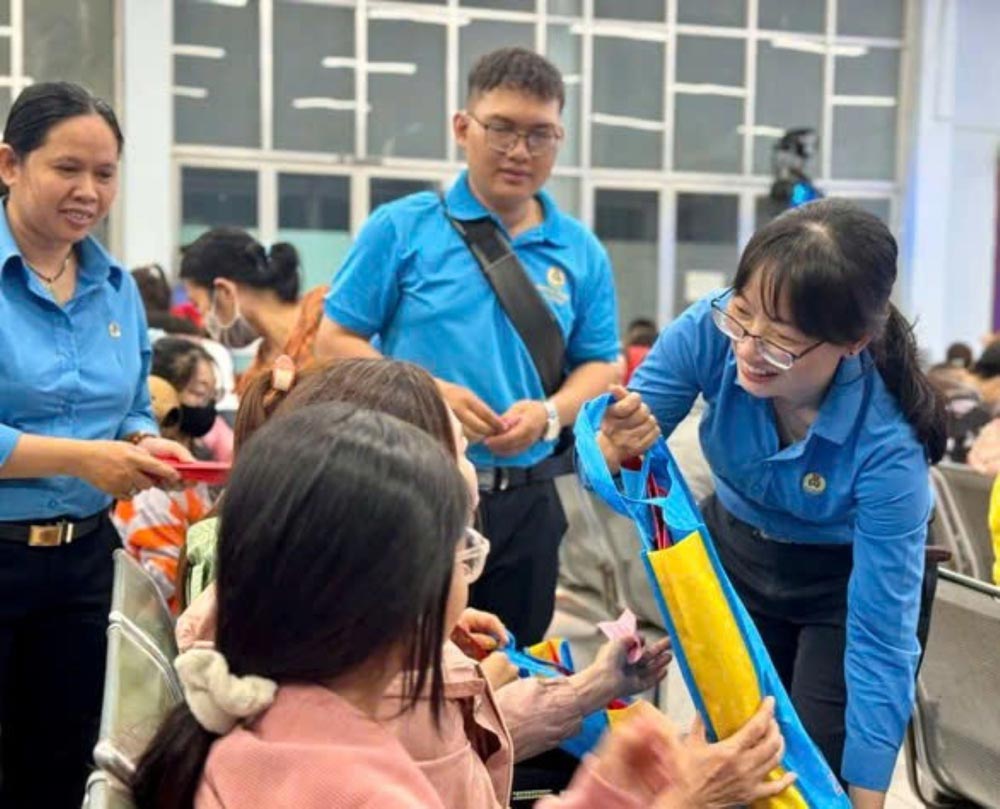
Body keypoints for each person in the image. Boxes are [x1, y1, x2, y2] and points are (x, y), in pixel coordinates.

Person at [174, 358, 793, 809]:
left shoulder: (281, 690)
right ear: (392, 573)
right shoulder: (353, 780)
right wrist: (681, 803)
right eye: (460, 551)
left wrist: (609, 780)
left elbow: (461, 764)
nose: (473, 478)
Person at [595, 200, 946, 808]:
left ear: (853, 342)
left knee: (812, 776)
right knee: (735, 751)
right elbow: (611, 450)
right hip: (735, 557)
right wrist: (611, 449)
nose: (750, 349)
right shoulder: (711, 331)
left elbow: (881, 638)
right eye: (743, 316)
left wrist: (861, 797)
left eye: (782, 342)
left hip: (839, 588)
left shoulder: (890, 449)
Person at [316, 47, 621, 644]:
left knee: (513, 665)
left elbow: (601, 364)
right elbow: (333, 340)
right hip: (414, 490)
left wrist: (549, 414)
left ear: (559, 139)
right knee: (402, 661)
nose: (519, 151)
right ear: (463, 128)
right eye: (501, 128)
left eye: (540, 134)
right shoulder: (403, 228)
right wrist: (426, 393)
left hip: (529, 503)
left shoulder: (580, 251)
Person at [0, 81, 191, 807]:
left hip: (82, 561)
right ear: (10, 164)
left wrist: (144, 439)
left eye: (105, 174)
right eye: (67, 169)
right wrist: (84, 459)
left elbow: (132, 403)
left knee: (60, 763)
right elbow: (87, 448)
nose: (88, 190)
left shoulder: (113, 286)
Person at [112, 339, 220, 611]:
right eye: (198, 393)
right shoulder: (150, 490)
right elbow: (163, 584)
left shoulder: (193, 467)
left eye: (213, 395)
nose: (208, 405)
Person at [179, 227, 326, 394]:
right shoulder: (254, 383)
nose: (203, 323)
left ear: (225, 291)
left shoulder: (331, 317)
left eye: (197, 304)